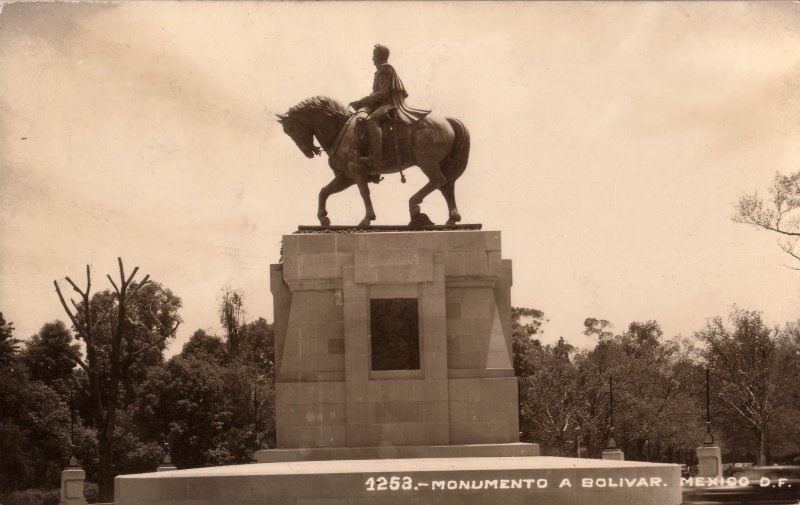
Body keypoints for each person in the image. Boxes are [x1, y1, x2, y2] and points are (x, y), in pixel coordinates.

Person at [349, 44, 428, 169]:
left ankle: (376, 158)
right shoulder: (380, 71)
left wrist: (361, 101)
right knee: (360, 118)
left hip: (389, 104)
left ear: (380, 56)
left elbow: (383, 93)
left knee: (371, 121)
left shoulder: (385, 69)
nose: (372, 59)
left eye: (374, 56)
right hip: (381, 103)